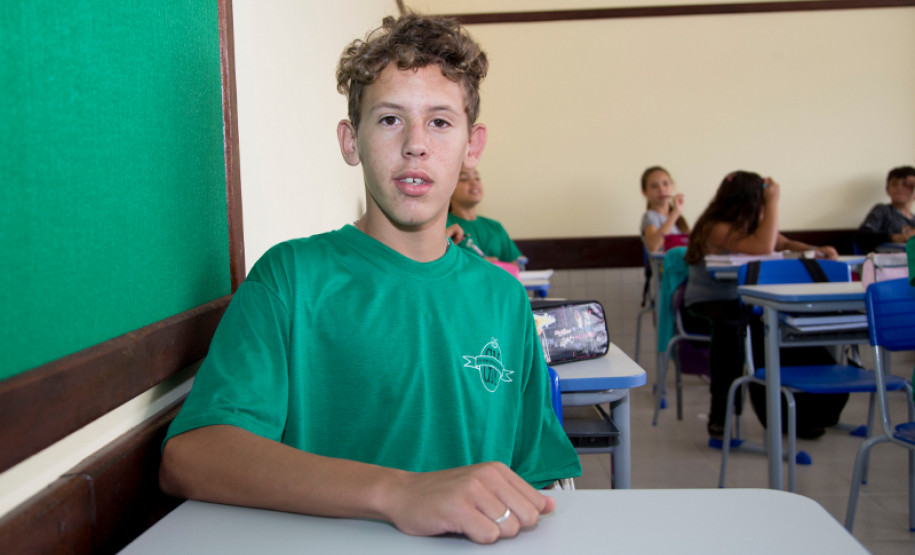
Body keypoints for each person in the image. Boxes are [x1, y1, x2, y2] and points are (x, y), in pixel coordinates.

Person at [158, 14, 580, 545]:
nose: (415, 145)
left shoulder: (503, 297)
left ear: (473, 145)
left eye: (441, 122)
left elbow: (537, 475)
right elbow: (193, 455)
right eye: (388, 120)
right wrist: (399, 493)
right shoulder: (291, 279)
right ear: (349, 141)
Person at [682, 171, 839, 438]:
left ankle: (801, 410)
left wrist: (816, 249)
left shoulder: (752, 223)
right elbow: (764, 246)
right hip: (708, 303)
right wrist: (774, 203)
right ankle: (720, 413)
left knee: (776, 325)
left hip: (742, 302)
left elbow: (782, 242)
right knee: (732, 329)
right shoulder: (715, 226)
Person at [445, 165, 524, 266]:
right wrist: (477, 267)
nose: (474, 182)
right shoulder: (441, 227)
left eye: (477, 178)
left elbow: (515, 267)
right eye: (463, 179)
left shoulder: (495, 227)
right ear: (448, 188)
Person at [855, 165, 915, 253]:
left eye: (906, 185)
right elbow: (861, 236)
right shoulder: (883, 210)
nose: (899, 188)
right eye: (894, 184)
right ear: (887, 190)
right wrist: (895, 237)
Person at [640, 165, 690, 253]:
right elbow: (653, 246)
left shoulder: (678, 220)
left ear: (672, 186)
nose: (661, 189)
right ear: (644, 192)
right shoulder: (650, 216)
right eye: (654, 186)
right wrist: (675, 213)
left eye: (665, 184)